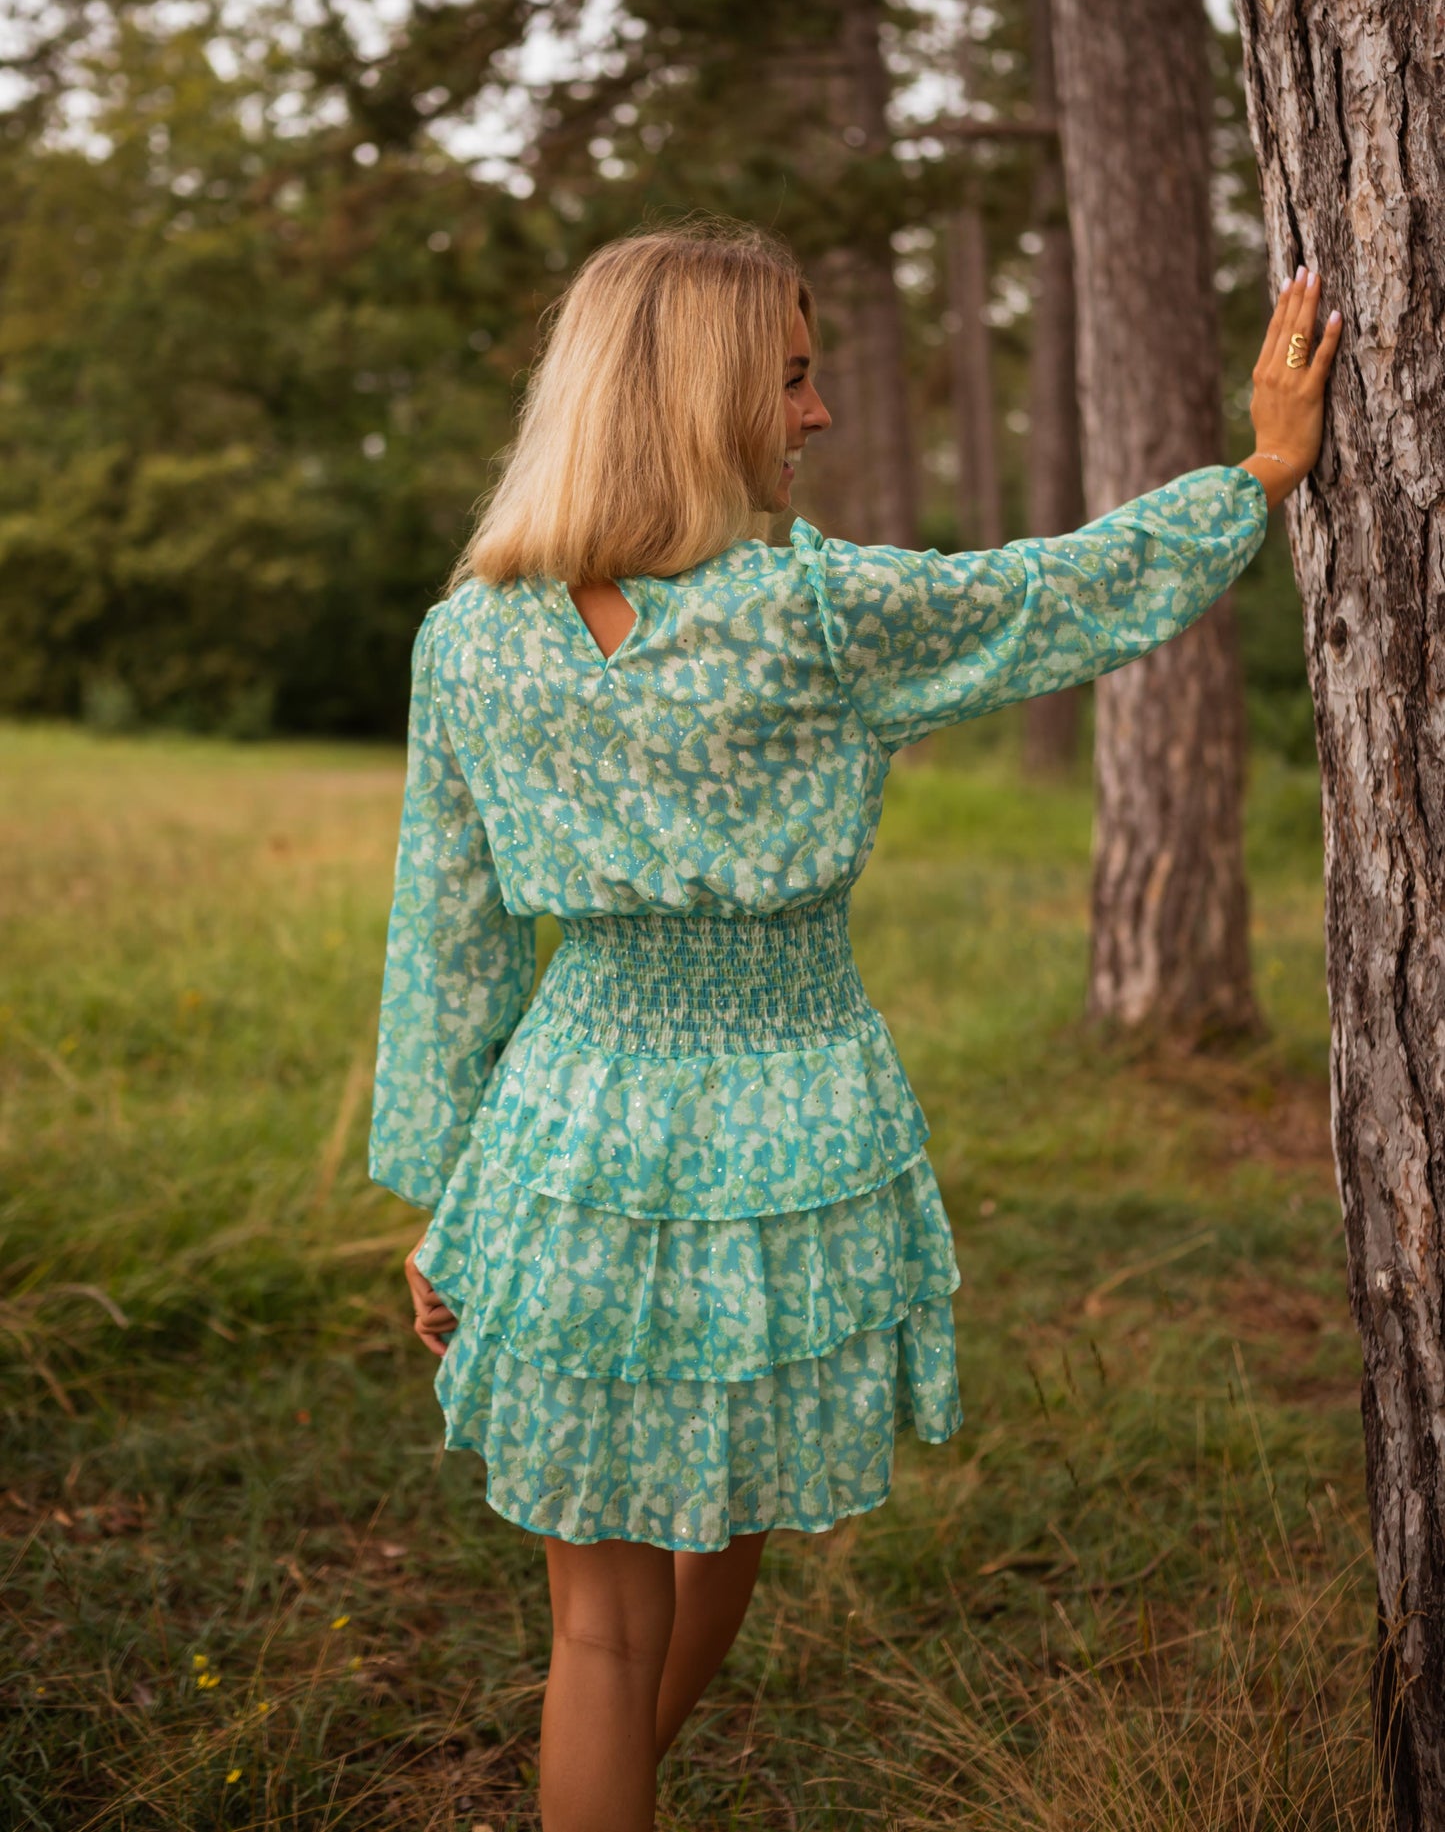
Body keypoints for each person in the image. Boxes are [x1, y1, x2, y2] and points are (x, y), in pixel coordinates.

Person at [367, 225, 1339, 1832]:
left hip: (566, 1130)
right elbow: (1053, 594)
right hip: (785, 1121)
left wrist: (443, 1201)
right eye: (795, 378)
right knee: (714, 1541)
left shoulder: (467, 637)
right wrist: (1254, 474)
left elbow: (446, 947)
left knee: (592, 1633)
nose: (816, 416)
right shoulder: (811, 612)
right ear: (695, 397)